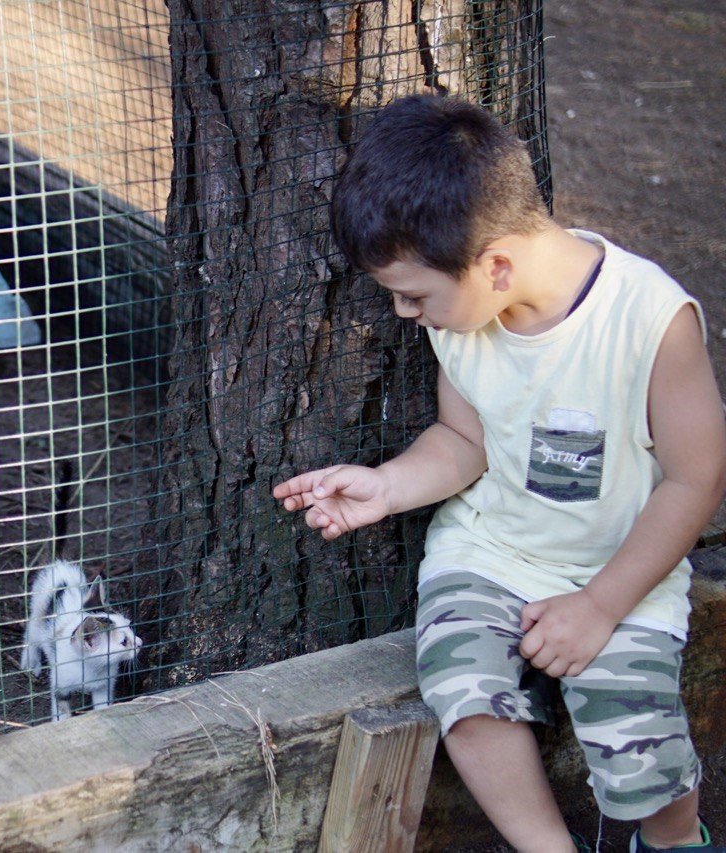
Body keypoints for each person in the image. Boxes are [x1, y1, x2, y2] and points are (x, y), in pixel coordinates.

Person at [273, 94, 726, 853]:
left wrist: (599, 605)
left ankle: (676, 838)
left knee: (636, 742)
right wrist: (388, 486)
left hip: (621, 567)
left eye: (413, 295)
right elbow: (465, 438)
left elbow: (697, 480)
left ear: (497, 266)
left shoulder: (650, 321)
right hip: (492, 552)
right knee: (463, 690)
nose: (403, 313)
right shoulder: (466, 319)